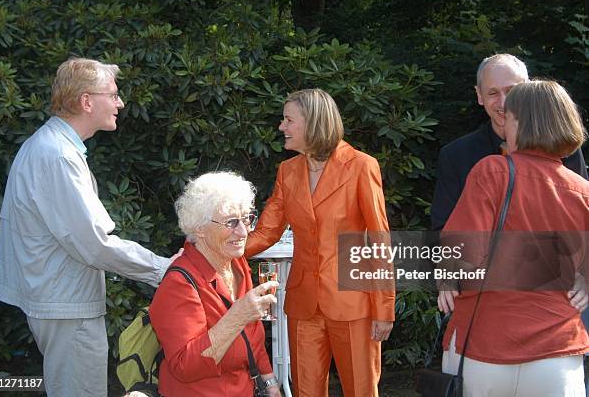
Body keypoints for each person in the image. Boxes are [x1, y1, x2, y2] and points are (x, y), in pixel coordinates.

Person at [0, 58, 176, 397]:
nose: (120, 103)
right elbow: (95, 245)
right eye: (113, 95)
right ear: (86, 101)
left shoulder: (51, 146)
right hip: (67, 305)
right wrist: (165, 269)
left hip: (59, 300)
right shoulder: (58, 156)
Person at [438, 80, 589, 395]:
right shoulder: (582, 190)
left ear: (523, 122)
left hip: (486, 342)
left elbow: (461, 256)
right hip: (558, 353)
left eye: (509, 115)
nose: (502, 121)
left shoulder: (492, 172)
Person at [244, 89, 395, 397]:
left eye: (288, 120)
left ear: (313, 123)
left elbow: (379, 240)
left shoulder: (361, 166)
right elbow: (266, 232)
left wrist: (384, 309)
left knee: (361, 391)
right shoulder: (288, 171)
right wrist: (215, 248)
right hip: (303, 306)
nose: (281, 127)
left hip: (354, 302)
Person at [149, 172, 281, 397]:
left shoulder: (236, 264)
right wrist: (237, 317)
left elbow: (253, 333)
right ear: (199, 228)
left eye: (246, 218)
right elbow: (184, 367)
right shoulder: (179, 283)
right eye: (231, 222)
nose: (243, 231)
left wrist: (270, 383)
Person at [431, 53, 587, 232]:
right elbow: (444, 234)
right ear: (479, 95)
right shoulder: (456, 155)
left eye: (511, 92)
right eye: (493, 93)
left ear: (529, 92)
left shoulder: (562, 148)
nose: (504, 103)